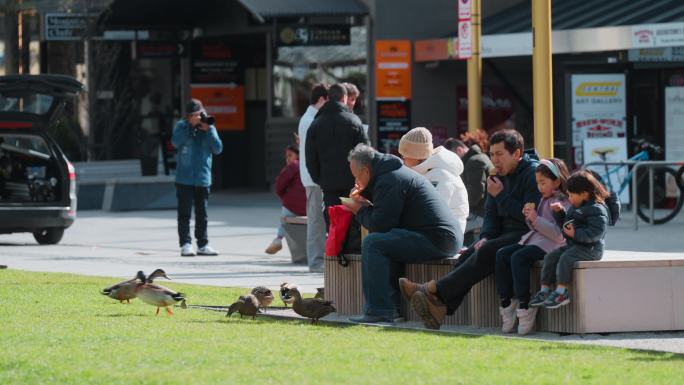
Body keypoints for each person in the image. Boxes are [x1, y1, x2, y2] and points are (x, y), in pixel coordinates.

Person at [399, 129, 540, 330]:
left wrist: (500, 196)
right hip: (505, 233)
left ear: (517, 153)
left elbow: (529, 218)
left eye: (500, 154)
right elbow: (490, 215)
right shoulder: (496, 175)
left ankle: (434, 290)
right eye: (492, 154)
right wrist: (486, 235)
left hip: (531, 233)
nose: (495, 160)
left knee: (488, 250)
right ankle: (440, 307)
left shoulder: (533, 173)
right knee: (471, 252)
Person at [342, 144, 462, 324]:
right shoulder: (391, 174)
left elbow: (380, 225)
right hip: (440, 237)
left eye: (356, 177)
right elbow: (389, 220)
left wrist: (359, 210)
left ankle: (380, 310)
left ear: (366, 171)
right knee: (384, 243)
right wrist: (365, 199)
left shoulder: (389, 179)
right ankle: (391, 309)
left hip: (437, 238)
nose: (356, 182)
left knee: (374, 243)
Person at [495, 158, 570, 335]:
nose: (539, 187)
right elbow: (537, 225)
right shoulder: (544, 199)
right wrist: (530, 218)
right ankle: (507, 302)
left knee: (518, 257)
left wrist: (535, 219)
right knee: (501, 254)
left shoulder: (563, 201)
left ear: (557, 182)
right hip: (535, 240)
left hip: (550, 245)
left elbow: (559, 234)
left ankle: (525, 304)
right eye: (538, 183)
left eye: (543, 183)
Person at [529, 170, 610, 310]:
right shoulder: (574, 207)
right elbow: (566, 227)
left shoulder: (597, 209)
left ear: (584, 194)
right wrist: (560, 214)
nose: (569, 198)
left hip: (591, 249)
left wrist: (576, 233)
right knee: (551, 257)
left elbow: (596, 233)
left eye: (572, 195)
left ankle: (562, 292)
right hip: (574, 244)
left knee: (566, 258)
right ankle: (544, 290)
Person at [305, 83, 368, 228]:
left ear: (327, 98)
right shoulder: (353, 121)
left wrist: (320, 180)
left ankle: (335, 251)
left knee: (333, 226)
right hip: (352, 185)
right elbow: (365, 153)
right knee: (353, 226)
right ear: (344, 98)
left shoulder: (316, 124)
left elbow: (311, 160)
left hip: (328, 186)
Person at [171, 99, 223, 257]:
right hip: (184, 178)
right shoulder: (181, 126)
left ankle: (203, 244)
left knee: (202, 214)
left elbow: (218, 148)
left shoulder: (208, 127)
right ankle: (185, 244)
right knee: (184, 213)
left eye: (199, 114)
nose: (198, 118)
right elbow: (175, 142)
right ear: (188, 116)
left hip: (202, 178)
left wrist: (209, 130)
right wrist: (190, 127)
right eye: (194, 115)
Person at [398, 127, 468, 234]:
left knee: (378, 241)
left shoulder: (441, 175)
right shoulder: (427, 172)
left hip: (444, 235)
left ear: (416, 156)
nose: (402, 159)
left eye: (404, 155)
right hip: (434, 233)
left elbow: (431, 212)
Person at [297, 83, 328, 272]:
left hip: (313, 178)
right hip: (314, 179)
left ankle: (317, 260)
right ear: (322, 99)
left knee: (317, 220)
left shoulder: (310, 118)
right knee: (316, 221)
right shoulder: (310, 120)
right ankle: (316, 262)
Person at [444, 134, 494, 244]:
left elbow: (475, 196)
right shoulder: (480, 157)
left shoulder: (473, 162)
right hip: (483, 213)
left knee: (450, 230)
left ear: (459, 150)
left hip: (479, 215)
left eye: (452, 158)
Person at [266, 145, 307, 255]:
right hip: (310, 206)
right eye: (286, 156)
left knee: (285, 216)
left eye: (290, 155)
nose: (288, 158)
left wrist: (284, 197)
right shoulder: (309, 165)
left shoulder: (294, 165)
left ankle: (278, 239)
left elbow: (280, 183)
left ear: (298, 155)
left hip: (292, 205)